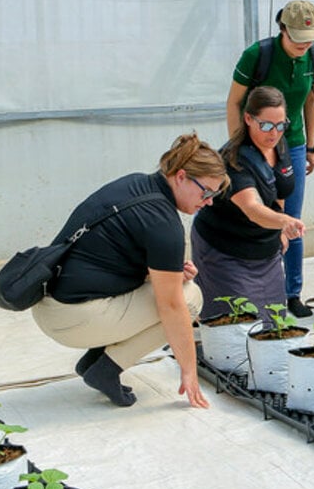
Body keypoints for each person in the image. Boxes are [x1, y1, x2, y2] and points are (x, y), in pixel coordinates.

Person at [32, 133, 228, 408]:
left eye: (214, 195)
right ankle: (106, 369)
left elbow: (109, 256)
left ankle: (95, 360)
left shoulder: (136, 184)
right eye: (206, 192)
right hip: (72, 318)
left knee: (172, 288)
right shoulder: (164, 223)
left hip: (49, 304)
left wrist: (165, 272)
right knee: (189, 298)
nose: (208, 202)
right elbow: (172, 307)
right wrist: (189, 370)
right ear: (181, 176)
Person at [227, 0, 314, 317]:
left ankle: (291, 292)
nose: (303, 44)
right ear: (282, 29)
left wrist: (310, 146)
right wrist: (237, 148)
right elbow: (234, 102)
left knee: (290, 220)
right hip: (254, 141)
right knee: (253, 215)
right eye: (296, 37)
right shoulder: (259, 55)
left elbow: (312, 99)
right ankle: (249, 291)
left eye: (309, 37)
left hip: (292, 143)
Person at [192, 86, 306, 322]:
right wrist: (283, 222)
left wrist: (280, 231)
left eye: (280, 125)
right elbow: (253, 208)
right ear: (248, 118)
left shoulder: (279, 145)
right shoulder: (234, 159)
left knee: (275, 322)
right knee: (237, 324)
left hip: (263, 249)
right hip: (225, 250)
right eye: (266, 125)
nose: (273, 133)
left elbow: (279, 191)